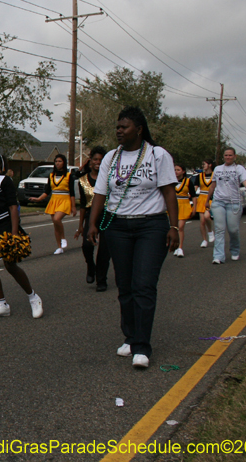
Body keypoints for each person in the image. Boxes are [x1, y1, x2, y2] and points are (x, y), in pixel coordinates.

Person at [87, 107, 179, 369]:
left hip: (151, 226)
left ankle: (142, 346)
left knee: (144, 285)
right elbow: (100, 194)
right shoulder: (111, 158)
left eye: (124, 127)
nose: (118, 130)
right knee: (125, 286)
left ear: (138, 129)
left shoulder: (157, 155)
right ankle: (130, 336)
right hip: (117, 227)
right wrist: (93, 224)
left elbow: (169, 193)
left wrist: (174, 227)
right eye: (117, 126)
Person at [0, 152, 43, 319]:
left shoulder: (5, 181)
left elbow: (13, 208)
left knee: (10, 265)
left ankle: (33, 297)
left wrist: (14, 235)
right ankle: (1, 304)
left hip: (4, 226)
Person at [206, 148, 246, 264]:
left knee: (233, 229)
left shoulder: (239, 169)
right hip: (219, 202)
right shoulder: (218, 169)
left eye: (230, 155)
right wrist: (207, 200)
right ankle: (218, 256)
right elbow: (213, 185)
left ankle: (235, 250)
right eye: (226, 155)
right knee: (219, 229)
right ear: (223, 156)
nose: (228, 157)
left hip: (234, 202)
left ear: (234, 156)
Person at [74, 147, 111, 291]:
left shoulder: (109, 178)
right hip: (90, 215)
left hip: (107, 215)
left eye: (101, 160)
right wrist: (81, 226)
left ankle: (101, 280)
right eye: (95, 159)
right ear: (90, 161)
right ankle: (91, 266)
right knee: (87, 245)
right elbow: (83, 204)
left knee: (104, 251)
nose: (98, 162)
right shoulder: (83, 180)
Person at [29, 154, 77, 254]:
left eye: (60, 161)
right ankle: (59, 247)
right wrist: (38, 199)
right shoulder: (51, 175)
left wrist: (73, 207)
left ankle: (63, 238)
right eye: (56, 161)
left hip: (65, 199)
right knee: (55, 225)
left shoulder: (68, 176)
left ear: (64, 163)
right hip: (54, 200)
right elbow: (47, 191)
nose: (58, 163)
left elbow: (72, 193)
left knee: (57, 219)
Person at [172, 163, 196, 258]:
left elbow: (193, 196)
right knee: (174, 227)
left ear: (183, 171)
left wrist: (194, 207)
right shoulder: (171, 181)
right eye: (174, 170)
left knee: (181, 227)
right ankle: (175, 246)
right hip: (173, 205)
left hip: (184, 204)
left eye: (178, 170)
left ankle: (180, 248)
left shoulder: (188, 181)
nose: (176, 172)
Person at [191, 159, 215, 248]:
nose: (203, 165)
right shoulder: (199, 176)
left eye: (204, 164)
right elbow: (195, 187)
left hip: (211, 198)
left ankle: (210, 231)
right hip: (201, 198)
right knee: (202, 221)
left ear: (210, 165)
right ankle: (204, 240)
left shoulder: (214, 175)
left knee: (207, 216)